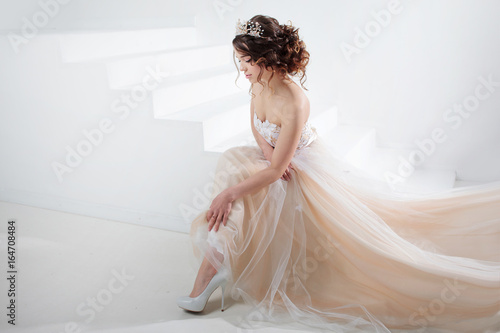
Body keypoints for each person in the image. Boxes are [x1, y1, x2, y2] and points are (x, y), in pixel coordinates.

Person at [176, 14, 500, 333]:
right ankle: (212, 270)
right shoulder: (258, 83)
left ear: (268, 58)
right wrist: (268, 152)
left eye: (247, 60)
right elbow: (256, 126)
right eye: (239, 60)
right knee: (236, 167)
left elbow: (277, 172)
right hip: (275, 159)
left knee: (237, 189)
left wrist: (231, 192)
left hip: (299, 167)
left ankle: (209, 274)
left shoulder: (294, 100)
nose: (242, 68)